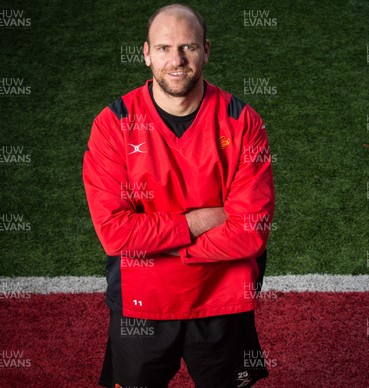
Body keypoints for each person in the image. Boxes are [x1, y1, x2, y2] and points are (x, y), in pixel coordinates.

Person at [82, 4, 275, 387]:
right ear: (146, 53)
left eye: (188, 46)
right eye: (165, 47)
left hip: (223, 302)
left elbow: (250, 231)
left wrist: (166, 248)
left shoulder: (241, 121)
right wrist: (200, 220)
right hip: (142, 303)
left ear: (206, 50)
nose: (177, 59)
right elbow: (116, 233)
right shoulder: (114, 123)